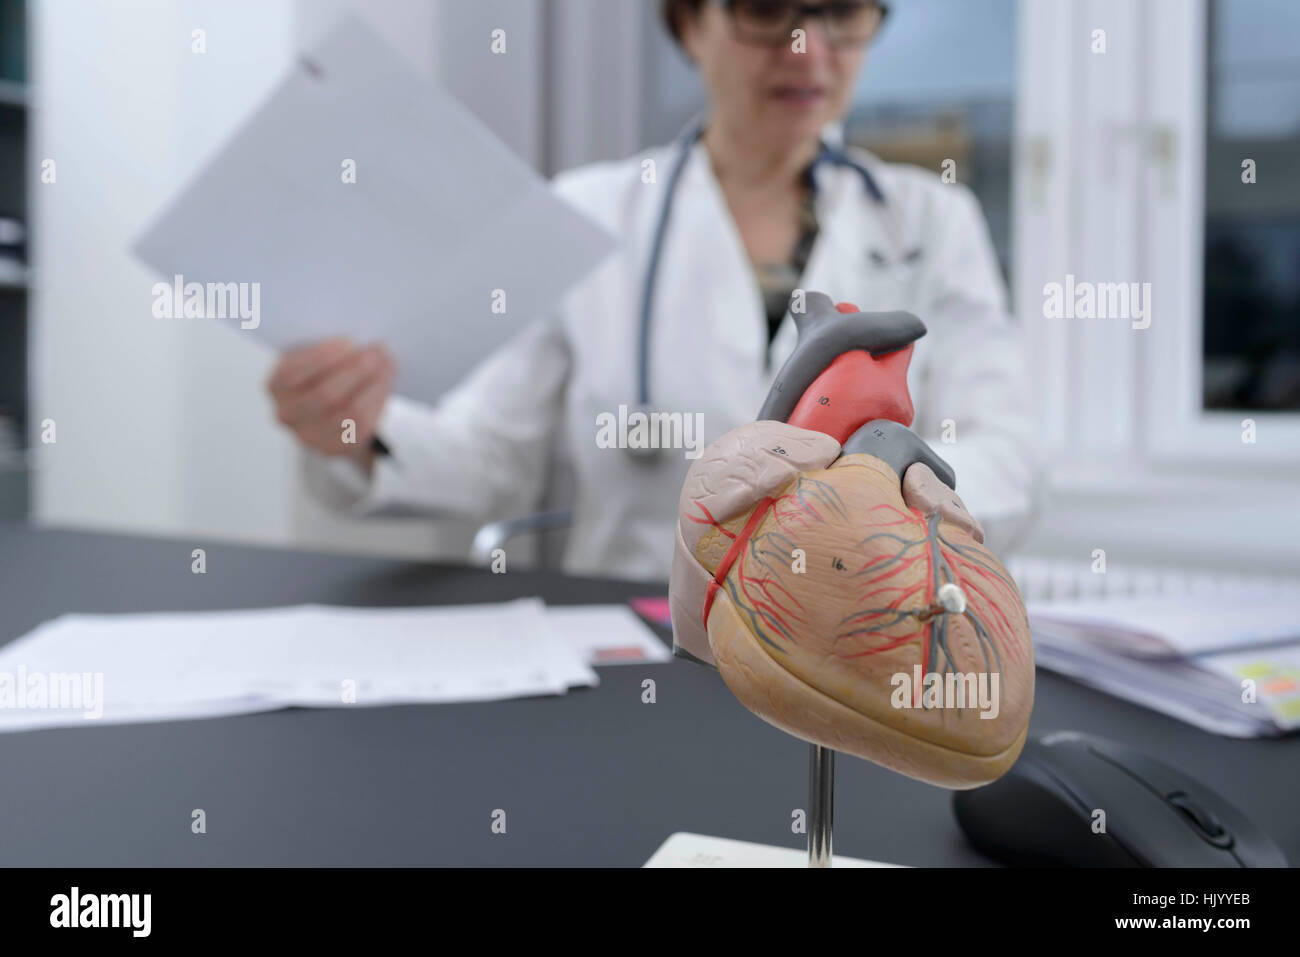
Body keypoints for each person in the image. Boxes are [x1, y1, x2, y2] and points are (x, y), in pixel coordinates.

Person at [267, 0, 1039, 582]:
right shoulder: (590, 214)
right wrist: (355, 429)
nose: (809, 49)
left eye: (840, 12)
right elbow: (493, 455)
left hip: (854, 641)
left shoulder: (931, 221)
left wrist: (870, 507)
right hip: (643, 645)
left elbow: (1005, 450)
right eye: (766, 9)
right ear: (688, 25)